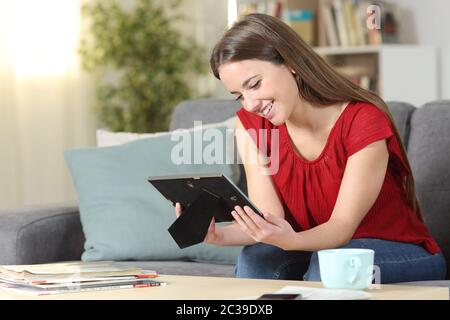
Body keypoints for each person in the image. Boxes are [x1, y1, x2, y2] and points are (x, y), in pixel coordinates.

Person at [176, 13, 446, 283]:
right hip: (312, 246)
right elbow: (269, 219)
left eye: (255, 84)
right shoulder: (251, 126)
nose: (249, 104)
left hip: (397, 250)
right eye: (239, 95)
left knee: (329, 265)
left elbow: (341, 228)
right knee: (257, 261)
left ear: (291, 63)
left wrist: (290, 240)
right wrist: (217, 236)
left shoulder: (363, 120)